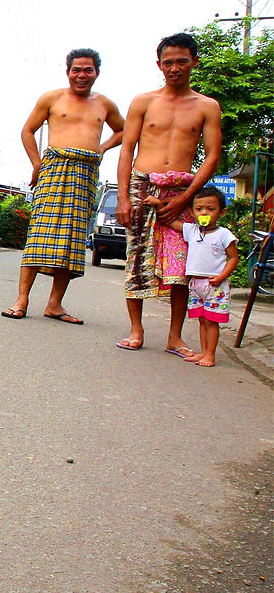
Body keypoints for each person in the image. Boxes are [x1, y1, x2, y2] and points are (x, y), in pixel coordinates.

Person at [115, 32, 222, 354]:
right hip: (142, 186)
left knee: (182, 267)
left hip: (182, 191)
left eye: (181, 62)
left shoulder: (207, 106)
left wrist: (185, 198)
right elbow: (127, 149)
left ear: (194, 62)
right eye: (168, 62)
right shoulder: (143, 101)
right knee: (137, 260)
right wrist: (123, 198)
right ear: (159, 65)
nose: (174, 68)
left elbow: (213, 155)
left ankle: (175, 337)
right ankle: (136, 330)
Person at [1, 48, 124, 324]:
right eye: (76, 69)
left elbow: (123, 130)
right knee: (39, 234)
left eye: (87, 70)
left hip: (86, 172)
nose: (81, 75)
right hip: (55, 168)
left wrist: (102, 148)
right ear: (68, 71)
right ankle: (22, 300)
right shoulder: (52, 98)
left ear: (97, 72)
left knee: (72, 237)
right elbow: (27, 130)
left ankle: (55, 304)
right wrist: (37, 163)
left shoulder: (105, 104)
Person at [143, 186, 238, 367]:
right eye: (199, 208)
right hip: (196, 284)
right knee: (202, 320)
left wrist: (222, 276)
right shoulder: (192, 230)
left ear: (222, 212)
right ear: (192, 212)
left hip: (214, 285)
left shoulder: (224, 234)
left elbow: (234, 258)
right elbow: (170, 220)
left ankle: (210, 355)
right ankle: (203, 352)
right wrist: (157, 205)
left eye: (211, 209)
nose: (204, 213)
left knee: (212, 320)